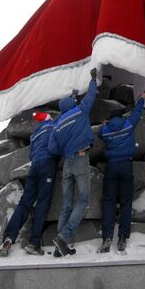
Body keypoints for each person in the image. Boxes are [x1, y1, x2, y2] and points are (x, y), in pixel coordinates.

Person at [48, 68, 98, 257]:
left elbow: (52, 149)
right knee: (83, 199)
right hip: (80, 158)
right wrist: (93, 78)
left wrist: (64, 148)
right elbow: (92, 94)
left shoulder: (57, 124)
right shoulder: (80, 111)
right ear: (72, 104)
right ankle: (64, 236)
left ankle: (59, 248)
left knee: (65, 204)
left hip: (67, 162)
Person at [0, 111, 58, 257]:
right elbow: (55, 145)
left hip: (34, 165)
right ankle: (34, 242)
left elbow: (31, 154)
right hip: (47, 165)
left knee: (25, 202)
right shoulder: (51, 127)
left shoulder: (34, 134)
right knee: (42, 203)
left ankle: (8, 238)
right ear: (48, 119)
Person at [97, 90, 145, 254]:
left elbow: (98, 132)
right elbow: (137, 112)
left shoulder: (106, 130)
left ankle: (107, 237)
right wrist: (142, 99)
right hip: (126, 166)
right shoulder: (128, 124)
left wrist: (105, 124)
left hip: (111, 166)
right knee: (126, 202)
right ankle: (122, 237)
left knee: (109, 201)